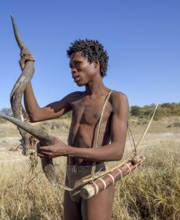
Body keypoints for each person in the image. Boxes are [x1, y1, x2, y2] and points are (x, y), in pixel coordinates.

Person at [19, 39, 129, 220]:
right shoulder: (75, 98)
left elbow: (117, 151)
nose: (72, 70)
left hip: (95, 176)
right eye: (70, 66)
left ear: (95, 64)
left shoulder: (116, 99)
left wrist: (66, 150)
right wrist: (26, 75)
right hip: (71, 176)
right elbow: (35, 115)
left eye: (77, 64)